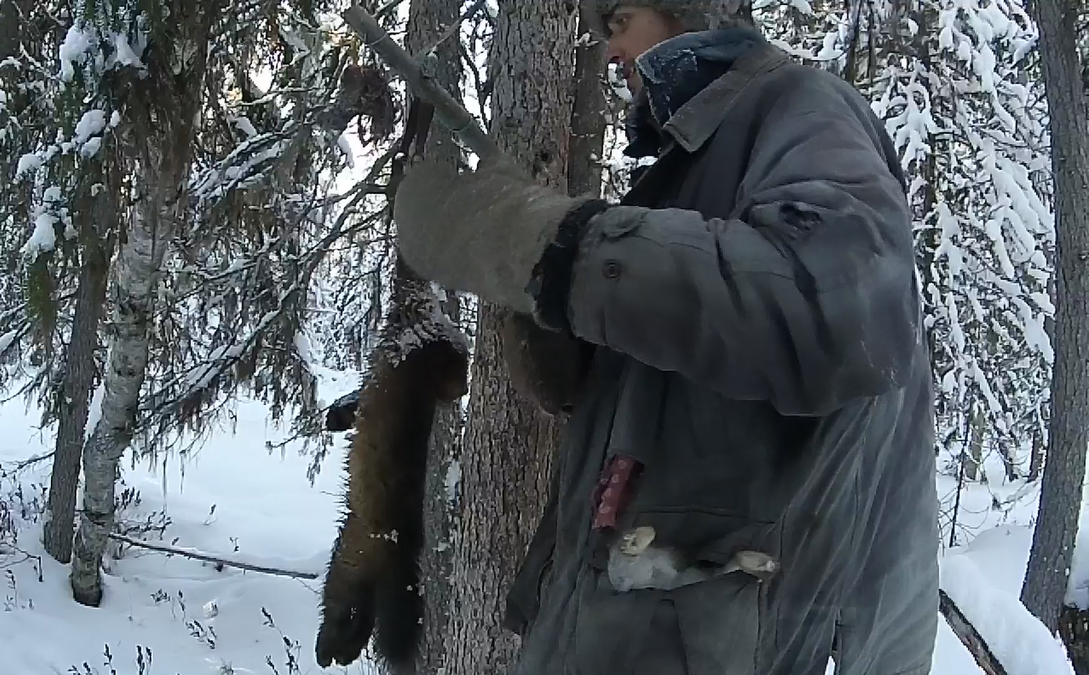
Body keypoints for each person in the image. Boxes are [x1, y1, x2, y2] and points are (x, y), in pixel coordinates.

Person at [392, 1, 940, 673]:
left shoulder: (804, 106)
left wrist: (546, 244)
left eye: (618, 19)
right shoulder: (682, 172)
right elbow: (691, 390)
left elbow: (833, 309)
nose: (608, 50)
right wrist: (562, 332)